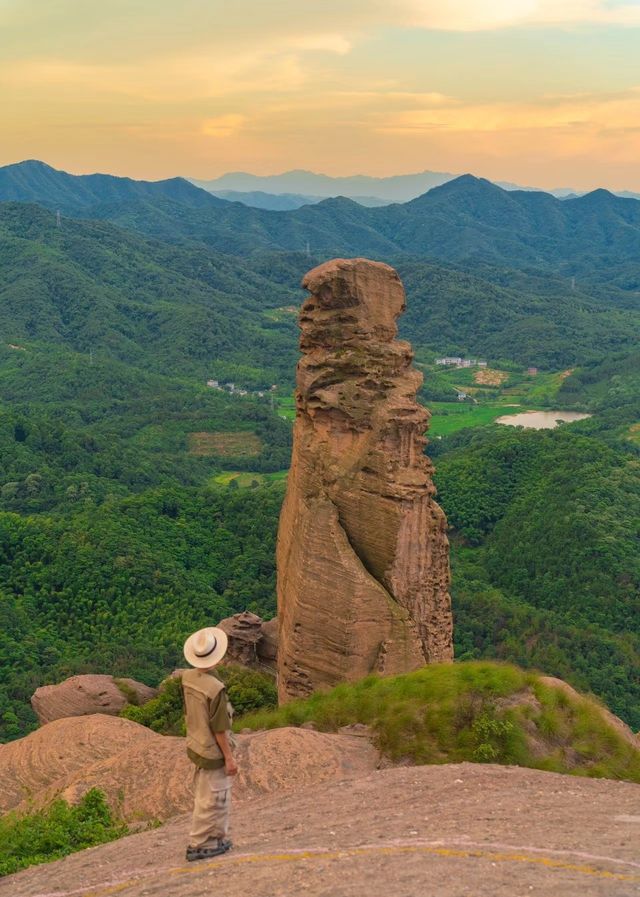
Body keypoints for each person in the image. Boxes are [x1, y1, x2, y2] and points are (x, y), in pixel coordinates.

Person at [181, 626, 238, 862]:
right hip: (211, 750)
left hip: (195, 742)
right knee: (215, 797)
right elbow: (220, 729)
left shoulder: (187, 677)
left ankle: (216, 838)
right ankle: (199, 844)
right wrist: (229, 757)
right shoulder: (215, 689)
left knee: (207, 793)